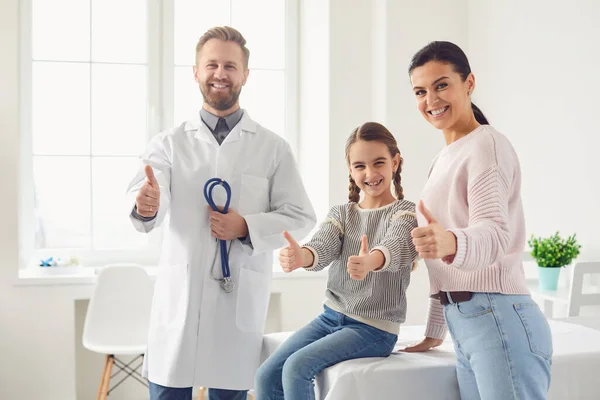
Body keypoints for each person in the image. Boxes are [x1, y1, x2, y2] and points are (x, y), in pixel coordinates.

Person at [126, 26, 316, 400]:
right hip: (178, 303)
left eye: (230, 65)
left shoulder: (272, 148)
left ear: (245, 74)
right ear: (196, 72)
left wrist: (246, 226)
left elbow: (300, 216)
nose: (220, 73)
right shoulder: (169, 143)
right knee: (167, 391)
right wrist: (146, 204)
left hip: (236, 304)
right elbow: (151, 194)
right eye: (211, 64)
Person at [403, 41, 552, 399]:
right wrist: (436, 328)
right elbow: (446, 269)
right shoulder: (445, 158)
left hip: (497, 317)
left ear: (469, 83)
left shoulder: (487, 145)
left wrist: (451, 242)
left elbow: (495, 232)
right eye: (420, 91)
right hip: (469, 323)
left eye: (441, 85)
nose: (431, 100)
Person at [254, 122, 419, 400]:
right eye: (360, 166)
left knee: (297, 368)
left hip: (374, 328)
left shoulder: (406, 213)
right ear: (350, 169)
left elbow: (397, 245)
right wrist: (301, 256)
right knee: (266, 375)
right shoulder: (343, 213)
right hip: (330, 317)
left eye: (379, 163)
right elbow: (323, 245)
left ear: (395, 161)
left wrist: (372, 261)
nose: (370, 173)